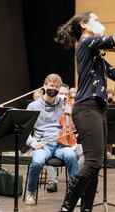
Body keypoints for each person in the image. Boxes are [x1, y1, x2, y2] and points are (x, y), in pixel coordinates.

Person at [55, 11, 115, 211]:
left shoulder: (96, 55)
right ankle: (66, 207)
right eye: (96, 20)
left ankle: (86, 209)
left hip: (98, 109)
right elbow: (107, 40)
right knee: (92, 163)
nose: (100, 23)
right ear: (84, 25)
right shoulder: (85, 44)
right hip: (86, 107)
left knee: (95, 164)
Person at [24, 74, 79, 205]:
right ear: (44, 86)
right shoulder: (33, 106)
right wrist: (33, 143)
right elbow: (24, 131)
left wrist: (71, 114)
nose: (53, 88)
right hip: (43, 144)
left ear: (59, 88)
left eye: (56, 86)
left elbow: (73, 127)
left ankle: (74, 194)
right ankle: (30, 192)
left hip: (61, 143)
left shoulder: (64, 103)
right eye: (51, 85)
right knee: (37, 162)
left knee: (72, 156)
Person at [44, 83, 71, 193]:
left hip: (69, 140)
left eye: (66, 94)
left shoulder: (71, 107)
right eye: (61, 93)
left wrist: (70, 114)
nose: (64, 96)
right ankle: (52, 181)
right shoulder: (50, 108)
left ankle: (73, 182)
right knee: (50, 147)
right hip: (52, 140)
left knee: (82, 152)